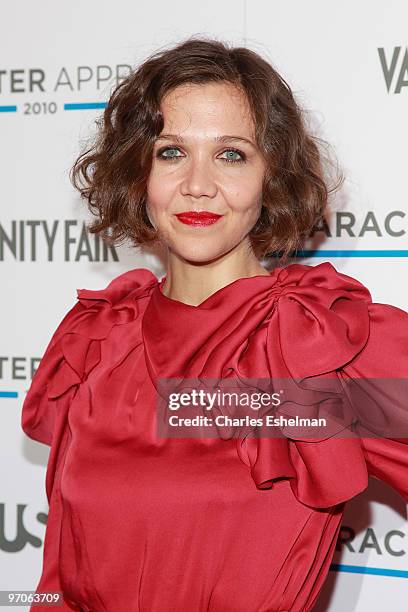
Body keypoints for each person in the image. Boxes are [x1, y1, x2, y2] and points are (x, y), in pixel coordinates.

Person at [21, 37, 408, 612]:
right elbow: (58, 577)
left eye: (232, 154)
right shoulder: (98, 341)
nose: (197, 184)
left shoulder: (319, 344)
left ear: (270, 176)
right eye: (171, 152)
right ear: (138, 175)